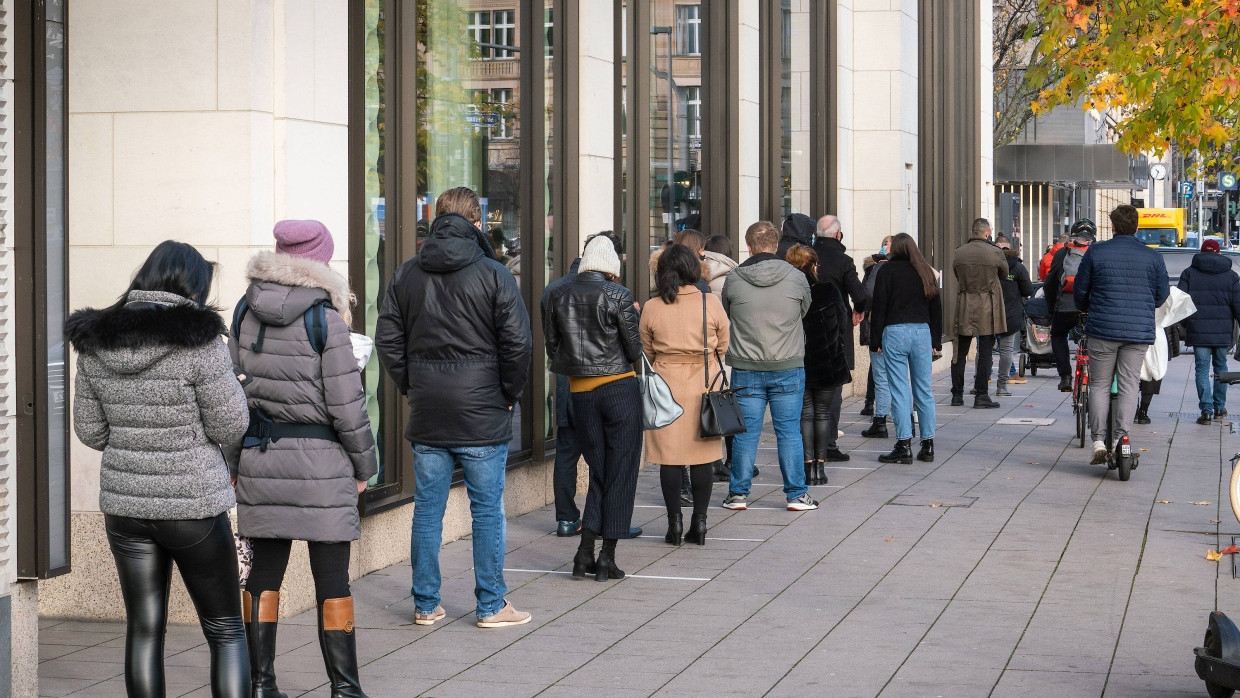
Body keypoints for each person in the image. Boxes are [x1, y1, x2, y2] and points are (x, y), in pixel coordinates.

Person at [67, 241, 251, 697]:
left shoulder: (96, 341)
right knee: (226, 631)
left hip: (126, 510)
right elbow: (231, 424)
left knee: (144, 630)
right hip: (193, 508)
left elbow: (91, 432)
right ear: (192, 285)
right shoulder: (199, 340)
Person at [225, 220, 379, 697]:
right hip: (323, 466)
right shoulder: (326, 319)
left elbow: (231, 398)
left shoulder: (244, 311)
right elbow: (347, 406)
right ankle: (346, 689)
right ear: (320, 261)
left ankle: (261, 684)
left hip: (261, 457)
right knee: (331, 579)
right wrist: (364, 467)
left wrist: (235, 466)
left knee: (264, 575)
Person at [376, 186, 534, 627]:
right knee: (486, 510)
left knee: (428, 508)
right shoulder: (494, 273)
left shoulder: (407, 273)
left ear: (437, 217)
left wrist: (413, 385)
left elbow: (387, 338)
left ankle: (425, 604)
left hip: (429, 409)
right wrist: (508, 394)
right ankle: (490, 605)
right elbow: (518, 344)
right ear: (476, 222)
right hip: (482, 410)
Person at [544, 235, 644, 580]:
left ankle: (585, 552)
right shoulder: (619, 295)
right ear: (612, 266)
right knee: (621, 471)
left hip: (580, 393)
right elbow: (634, 350)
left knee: (601, 471)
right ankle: (607, 556)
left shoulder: (558, 294)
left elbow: (552, 346)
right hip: (619, 389)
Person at [720, 221, 818, 512]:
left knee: (746, 432)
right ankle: (796, 495)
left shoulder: (734, 278)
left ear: (748, 247)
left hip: (746, 366)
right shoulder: (796, 277)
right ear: (776, 246)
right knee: (788, 431)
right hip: (787, 364)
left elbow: (729, 311)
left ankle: (738, 494)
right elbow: (804, 309)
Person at [640, 244, 730, 546]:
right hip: (704, 383)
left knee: (670, 459)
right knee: (702, 457)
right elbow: (723, 343)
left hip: (666, 386)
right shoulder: (710, 303)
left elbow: (646, 349)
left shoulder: (653, 306)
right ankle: (700, 523)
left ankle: (674, 523)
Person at [1073, 204, 1170, 464]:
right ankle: (1121, 439)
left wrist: (1085, 307)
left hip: (1103, 330)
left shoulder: (1096, 252)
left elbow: (1080, 290)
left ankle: (1097, 441)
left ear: (1113, 226)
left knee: (1100, 385)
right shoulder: (1153, 257)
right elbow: (1162, 295)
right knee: (1129, 385)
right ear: (1137, 227)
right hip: (1137, 332)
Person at [869, 233, 943, 464]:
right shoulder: (925, 271)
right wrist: (936, 341)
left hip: (895, 332)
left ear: (895, 249)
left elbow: (879, 307)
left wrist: (876, 341)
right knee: (924, 390)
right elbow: (936, 309)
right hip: (922, 332)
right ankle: (928, 445)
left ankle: (904, 445)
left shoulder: (887, 271)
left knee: (900, 390)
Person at [786, 244, 852, 484]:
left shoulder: (788, 292)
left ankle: (806, 467)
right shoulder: (828, 290)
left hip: (798, 360)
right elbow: (842, 322)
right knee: (823, 414)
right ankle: (820, 469)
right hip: (828, 360)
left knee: (805, 415)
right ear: (814, 266)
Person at [1177, 238, 1240, 424]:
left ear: (1202, 253)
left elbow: (1180, 302)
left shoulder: (1189, 273)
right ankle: (1219, 408)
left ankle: (1206, 411)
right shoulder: (1231, 276)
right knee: (1221, 367)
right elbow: (1238, 306)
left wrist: (1186, 324)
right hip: (1222, 331)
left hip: (1198, 329)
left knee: (1202, 369)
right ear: (1219, 252)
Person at [950, 218, 1008, 408]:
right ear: (987, 233)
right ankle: (981, 394)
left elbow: (957, 275)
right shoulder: (996, 253)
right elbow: (1004, 274)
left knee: (960, 350)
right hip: (988, 305)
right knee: (985, 352)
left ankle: (957, 394)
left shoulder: (959, 253)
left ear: (972, 231)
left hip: (965, 302)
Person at [703, 233, 741, 481]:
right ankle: (730, 461)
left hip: (702, 351)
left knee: (706, 407)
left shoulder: (699, 275)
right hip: (725, 351)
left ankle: (710, 460)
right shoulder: (733, 276)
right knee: (727, 406)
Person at [1044, 220, 1096, 392]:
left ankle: (1065, 376)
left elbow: (1050, 283)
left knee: (1058, 334)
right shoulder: (1097, 250)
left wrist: (1052, 308)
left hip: (1066, 305)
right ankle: (1095, 374)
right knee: (1096, 336)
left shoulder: (1062, 253)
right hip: (1091, 306)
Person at [859, 237, 891, 434]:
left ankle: (880, 421)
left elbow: (867, 294)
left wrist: (867, 312)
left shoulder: (880, 268)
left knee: (881, 376)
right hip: (909, 330)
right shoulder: (917, 269)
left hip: (882, 328)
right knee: (897, 377)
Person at [994, 234, 1033, 396]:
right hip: (1010, 313)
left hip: (988, 311)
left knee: (984, 349)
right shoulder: (1017, 267)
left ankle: (979, 384)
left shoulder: (990, 264)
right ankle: (1001, 386)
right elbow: (1028, 290)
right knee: (1006, 350)